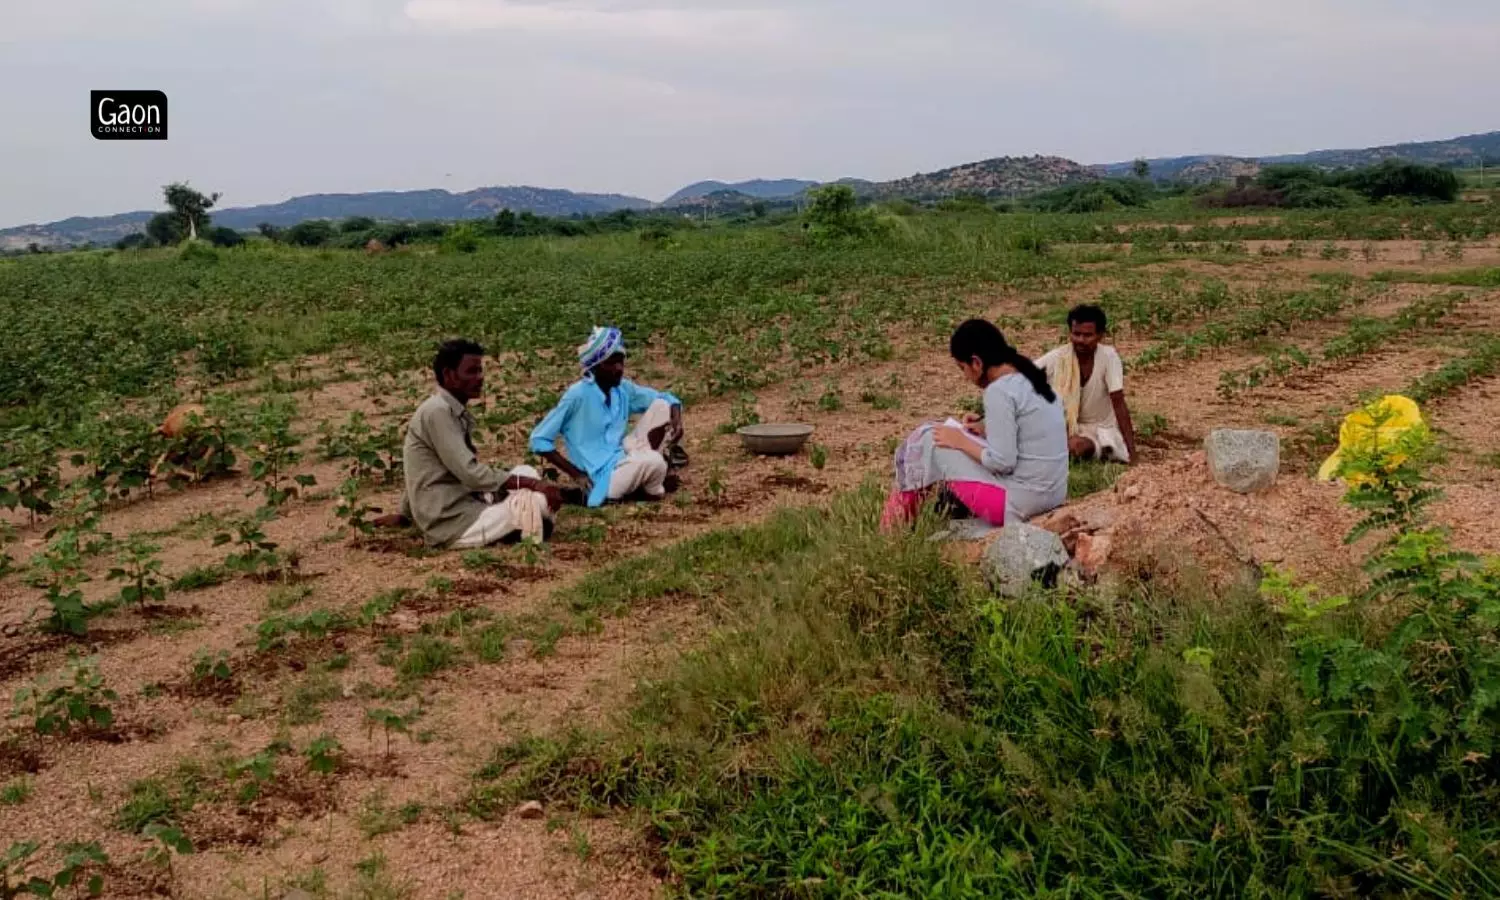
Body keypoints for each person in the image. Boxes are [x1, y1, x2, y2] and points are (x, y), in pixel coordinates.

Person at [882, 319, 1069, 529]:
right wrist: (985, 426)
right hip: (1052, 495)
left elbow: (1003, 462)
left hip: (1017, 504)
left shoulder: (998, 390)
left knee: (928, 439)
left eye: (963, 368)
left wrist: (961, 441)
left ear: (977, 363)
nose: (965, 377)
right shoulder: (1030, 376)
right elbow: (1030, 428)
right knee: (941, 438)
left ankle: (892, 527)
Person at [390, 338, 563, 548]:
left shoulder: (447, 409)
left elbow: (419, 468)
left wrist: (404, 514)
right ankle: (524, 527)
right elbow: (470, 473)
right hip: (452, 523)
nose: (480, 378)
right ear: (449, 375)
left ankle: (523, 524)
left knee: (525, 471)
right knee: (537, 500)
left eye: (480, 371)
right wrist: (534, 485)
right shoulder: (437, 412)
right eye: (471, 372)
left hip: (467, 504)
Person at [528, 327, 686, 508]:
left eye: (621, 362)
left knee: (663, 407)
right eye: (611, 363)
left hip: (625, 455)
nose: (618, 369)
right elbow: (539, 440)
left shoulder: (622, 389)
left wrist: (677, 419)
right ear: (595, 366)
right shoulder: (578, 395)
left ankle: (647, 480)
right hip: (602, 477)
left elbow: (666, 398)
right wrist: (577, 474)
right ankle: (648, 487)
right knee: (653, 461)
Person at [1036, 304, 1138, 464]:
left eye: (1087, 335)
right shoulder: (1059, 357)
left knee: (1076, 447)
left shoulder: (1108, 358)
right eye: (1076, 334)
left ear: (1100, 335)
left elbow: (1118, 402)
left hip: (1100, 429)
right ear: (1070, 332)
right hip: (1066, 428)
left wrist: (1132, 454)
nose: (1081, 340)